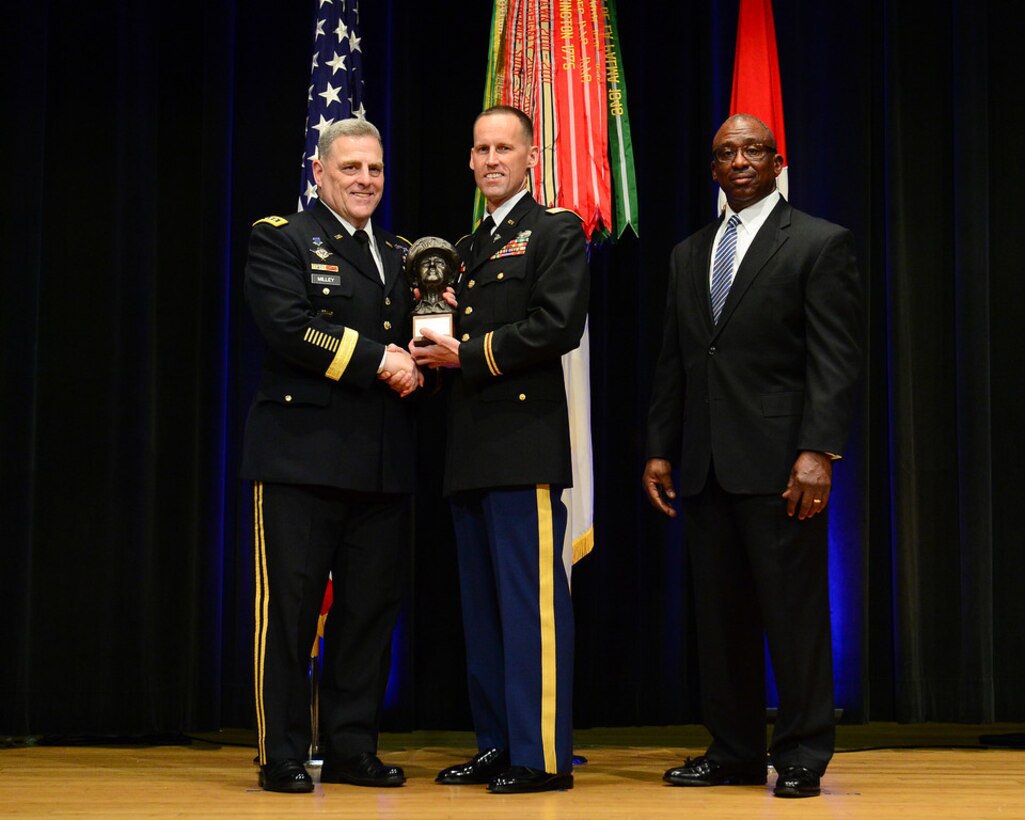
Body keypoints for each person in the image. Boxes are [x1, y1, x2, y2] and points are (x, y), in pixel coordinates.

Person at [643, 114, 862, 799]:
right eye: (725, 153)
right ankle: (733, 749)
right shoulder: (689, 252)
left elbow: (834, 360)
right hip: (704, 465)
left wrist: (817, 451)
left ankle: (799, 755)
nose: (739, 160)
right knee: (721, 618)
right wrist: (658, 450)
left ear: (775, 162)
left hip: (780, 467)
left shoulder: (819, 243)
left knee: (792, 617)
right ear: (713, 169)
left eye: (752, 150)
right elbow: (676, 362)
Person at [410, 105, 589, 794]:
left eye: (504, 149)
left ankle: (540, 755)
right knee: (482, 614)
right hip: (470, 447)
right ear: (470, 159)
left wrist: (469, 350)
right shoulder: (464, 245)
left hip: (522, 445)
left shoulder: (553, 230)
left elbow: (555, 326)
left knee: (529, 609)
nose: (491, 160)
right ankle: (496, 743)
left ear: (529, 156)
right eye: (481, 148)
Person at [240, 117, 420, 793]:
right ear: (319, 173)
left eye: (374, 169)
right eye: (350, 168)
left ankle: (349, 746)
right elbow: (287, 326)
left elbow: (420, 335)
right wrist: (381, 361)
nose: (364, 180)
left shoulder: (401, 255)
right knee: (287, 616)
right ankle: (281, 752)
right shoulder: (280, 239)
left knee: (368, 615)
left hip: (381, 461)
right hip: (300, 458)